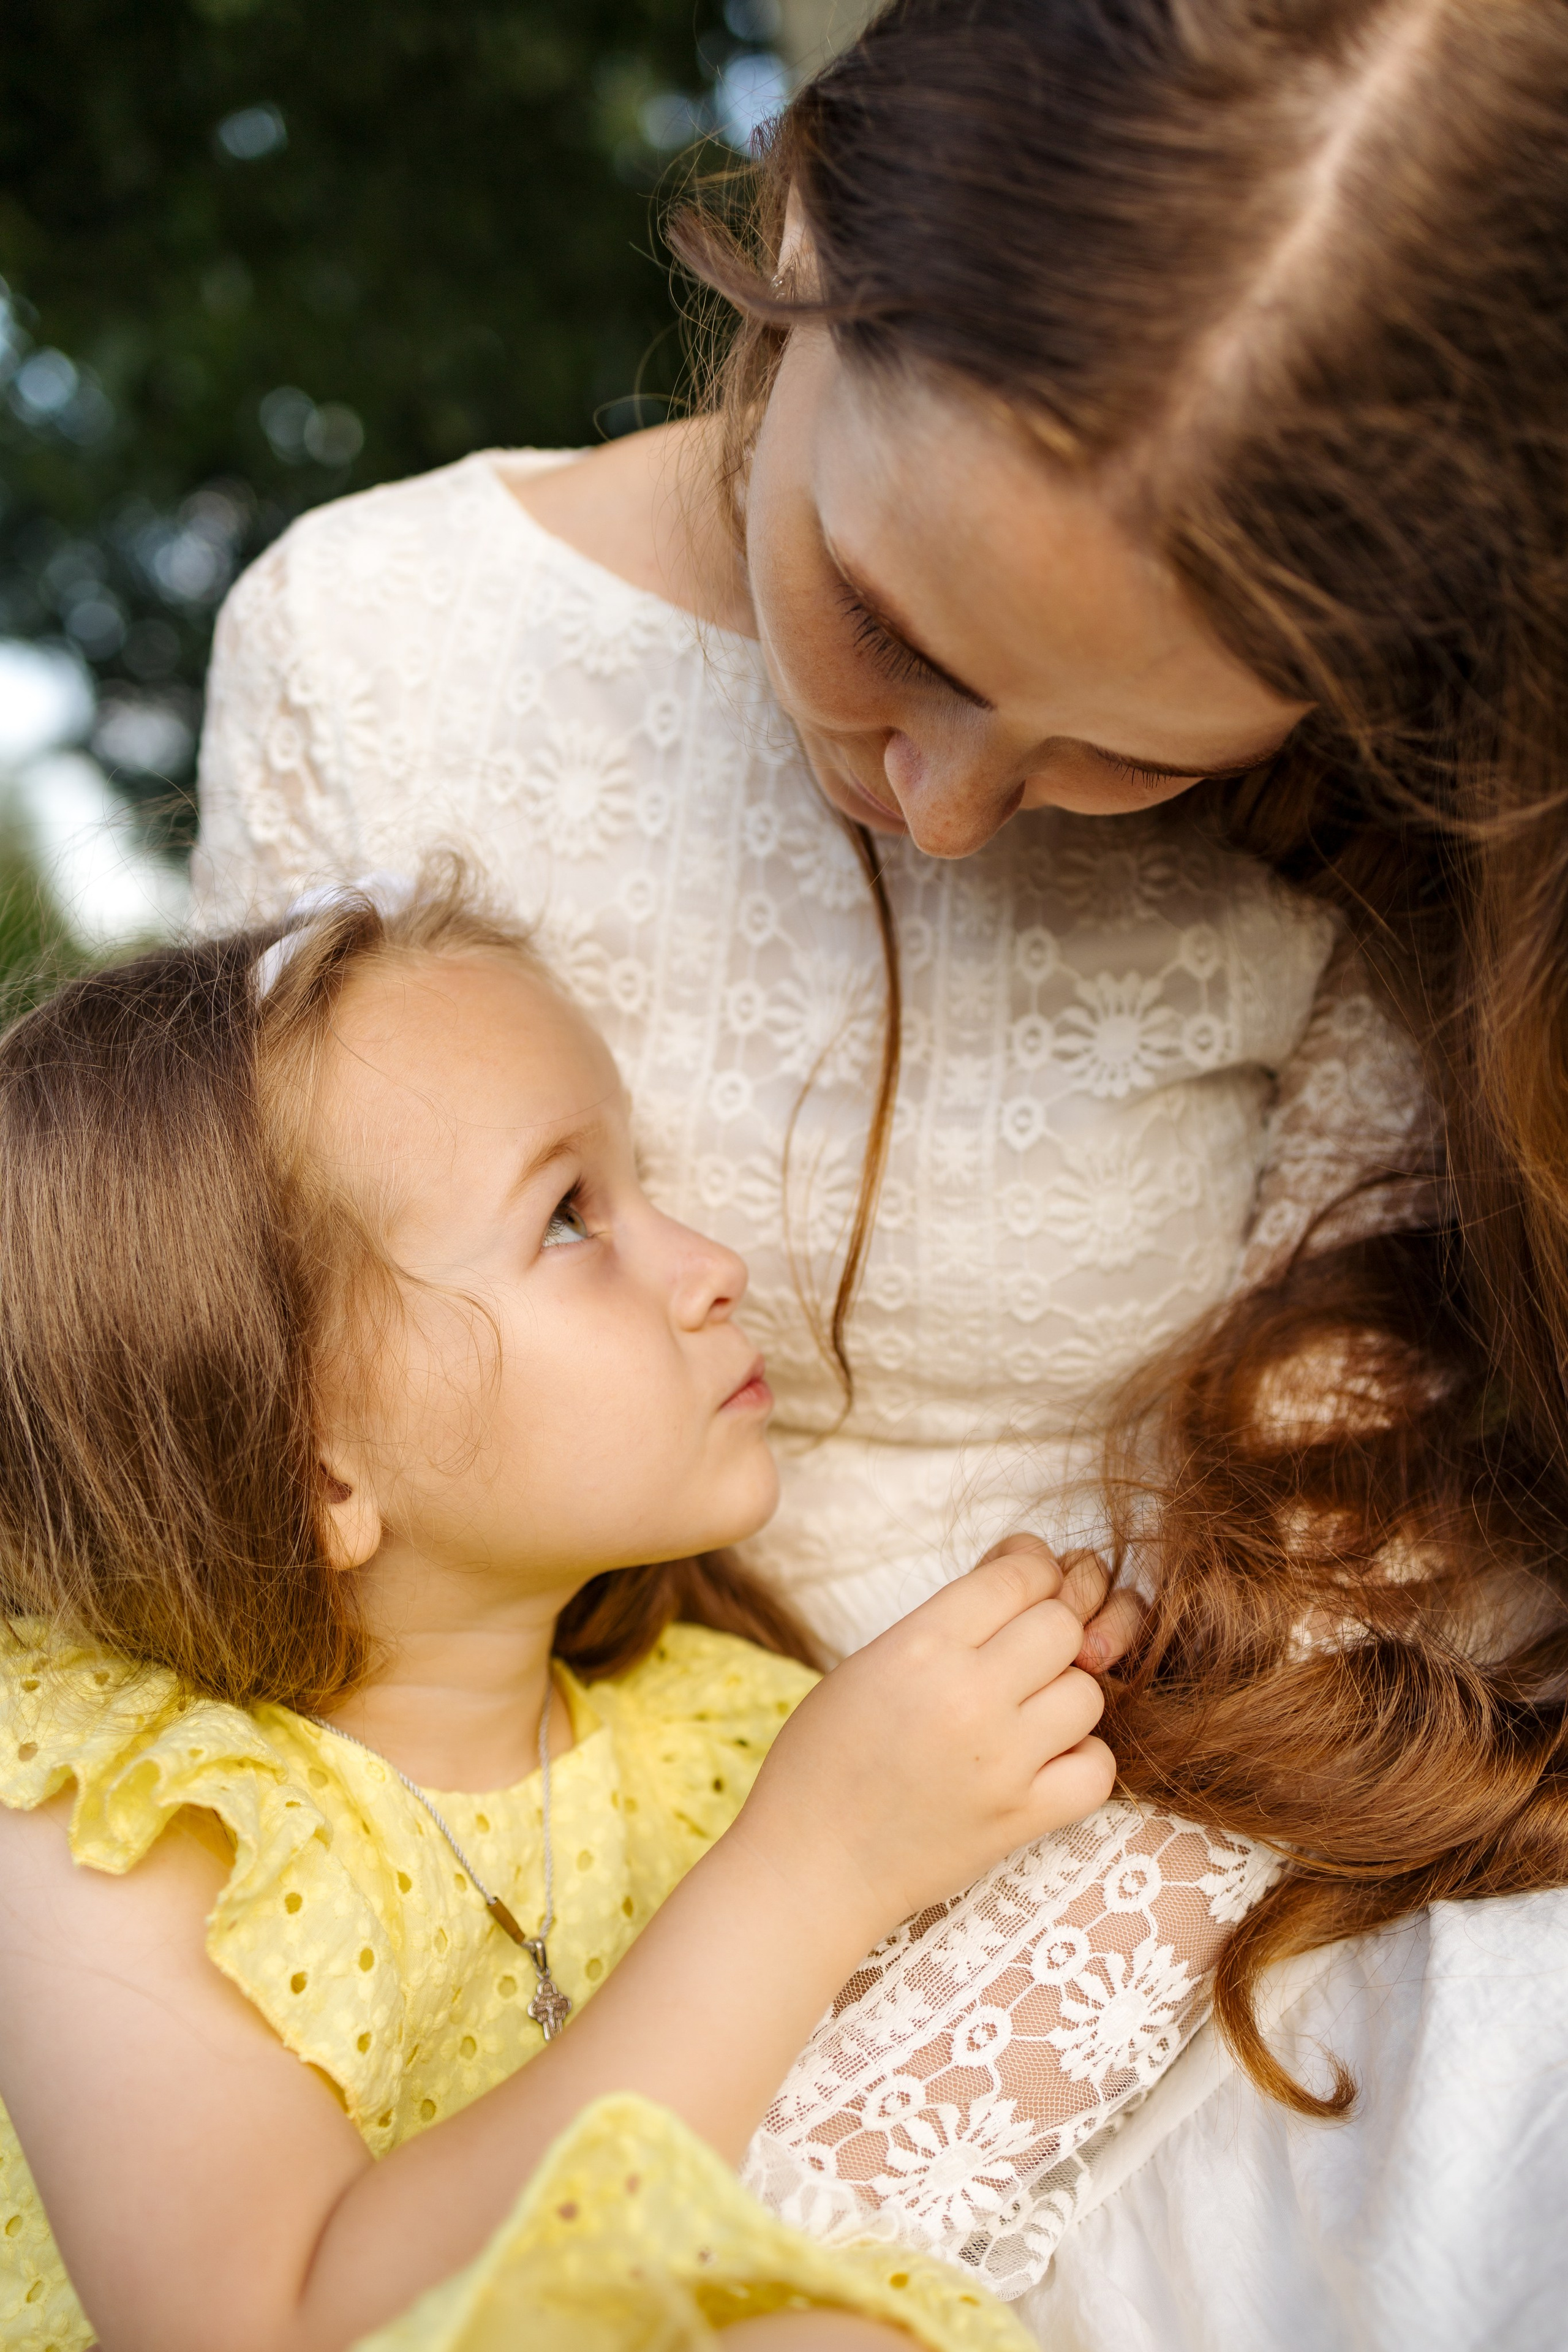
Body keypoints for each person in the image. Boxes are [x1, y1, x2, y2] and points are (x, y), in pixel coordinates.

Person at [194, 1, 1568, 2340]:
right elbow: (295, 1460)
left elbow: (1348, 1596)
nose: (936, 803)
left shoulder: (1398, 818)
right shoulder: (368, 637)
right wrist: (683, 2077)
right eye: (894, 632)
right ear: (812, 225)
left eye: (1125, 756)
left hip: (1245, 1857)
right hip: (544, 1929)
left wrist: (841, 2138)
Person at [0, 871, 1129, 2352]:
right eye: (570, 1221)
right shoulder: (110, 1811)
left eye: (639, 1185)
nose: (710, 1269)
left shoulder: (723, 1728)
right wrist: (809, 1871)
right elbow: (257, 2325)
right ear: (310, 1466)